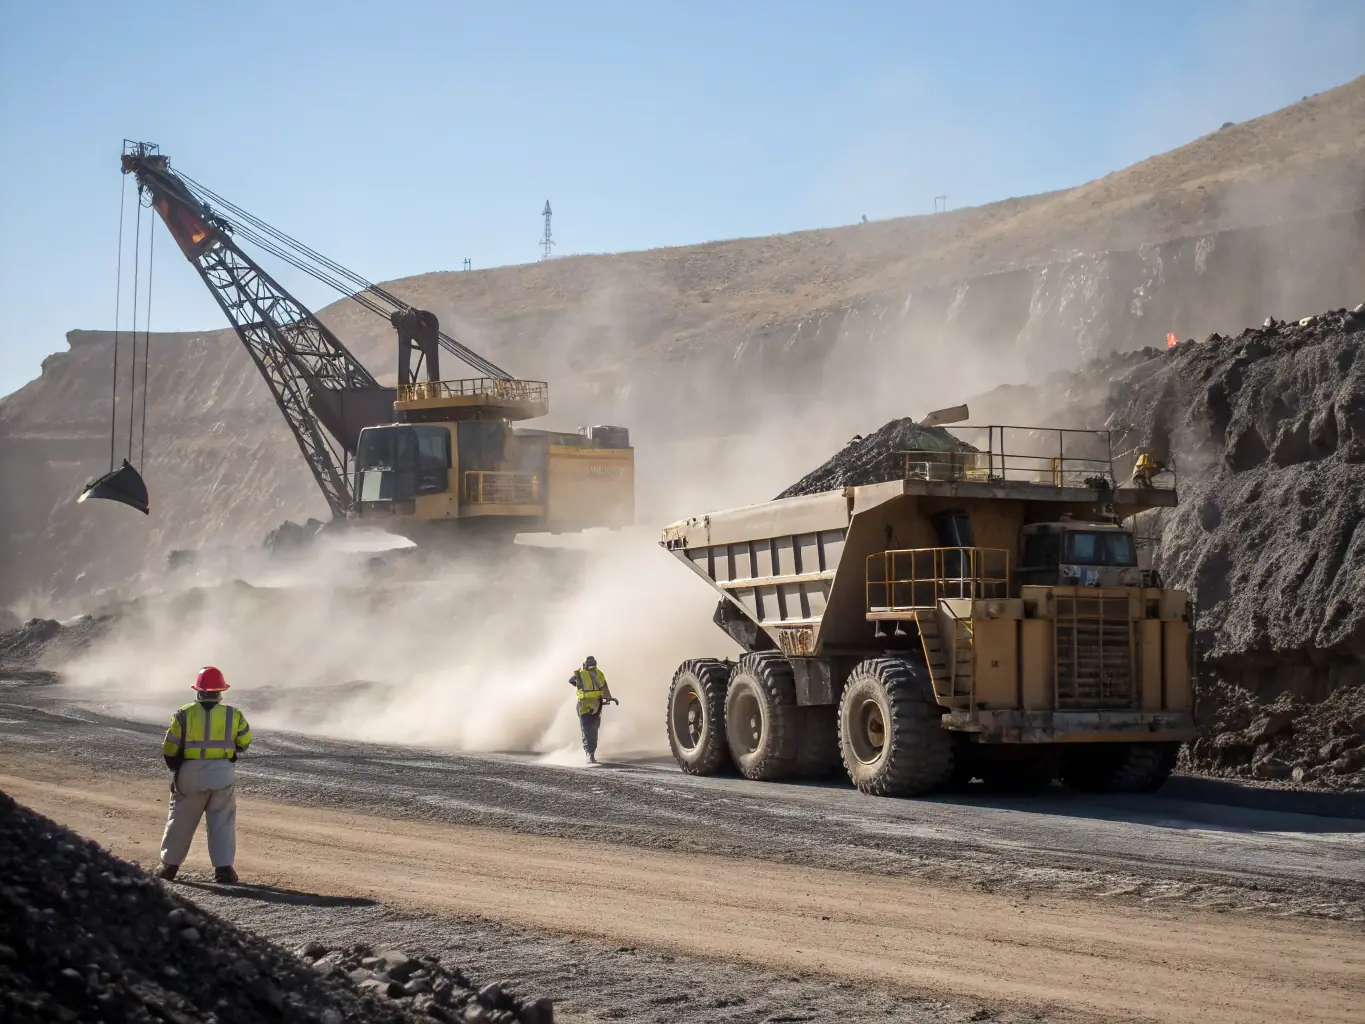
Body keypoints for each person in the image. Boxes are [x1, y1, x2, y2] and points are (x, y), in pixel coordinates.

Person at [156, 666, 252, 884]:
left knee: (181, 819)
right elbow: (244, 742)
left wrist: (178, 770)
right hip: (222, 773)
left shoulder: (183, 714)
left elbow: (170, 748)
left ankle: (169, 867)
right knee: (222, 821)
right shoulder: (233, 715)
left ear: (198, 690)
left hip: (191, 772)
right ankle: (224, 870)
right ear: (220, 691)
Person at [569, 655, 616, 764]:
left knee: (589, 729)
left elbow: (571, 681)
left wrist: (578, 684)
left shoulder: (580, 673)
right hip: (592, 703)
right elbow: (604, 686)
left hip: (588, 703)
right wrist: (608, 697)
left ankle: (590, 754)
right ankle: (590, 754)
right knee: (591, 728)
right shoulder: (595, 673)